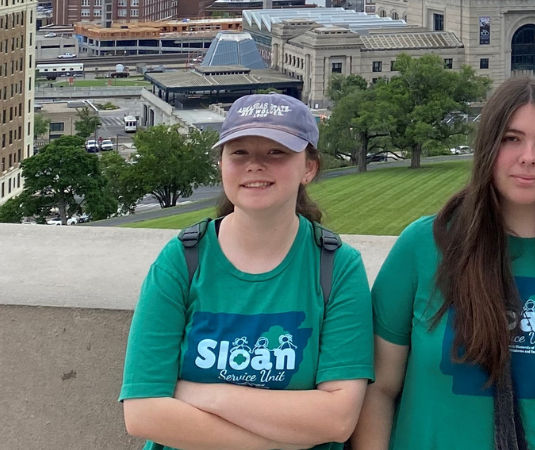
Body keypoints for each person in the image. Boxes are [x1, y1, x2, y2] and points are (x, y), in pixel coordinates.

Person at [356, 77, 535, 450]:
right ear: (488, 146)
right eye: (511, 139)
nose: (528, 156)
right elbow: (379, 390)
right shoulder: (423, 246)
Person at [120, 94, 374, 450]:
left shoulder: (337, 266)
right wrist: (288, 439)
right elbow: (144, 414)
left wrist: (206, 395)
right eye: (239, 153)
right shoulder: (182, 259)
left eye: (277, 152)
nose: (255, 165)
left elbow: (337, 418)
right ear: (221, 164)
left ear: (309, 168)